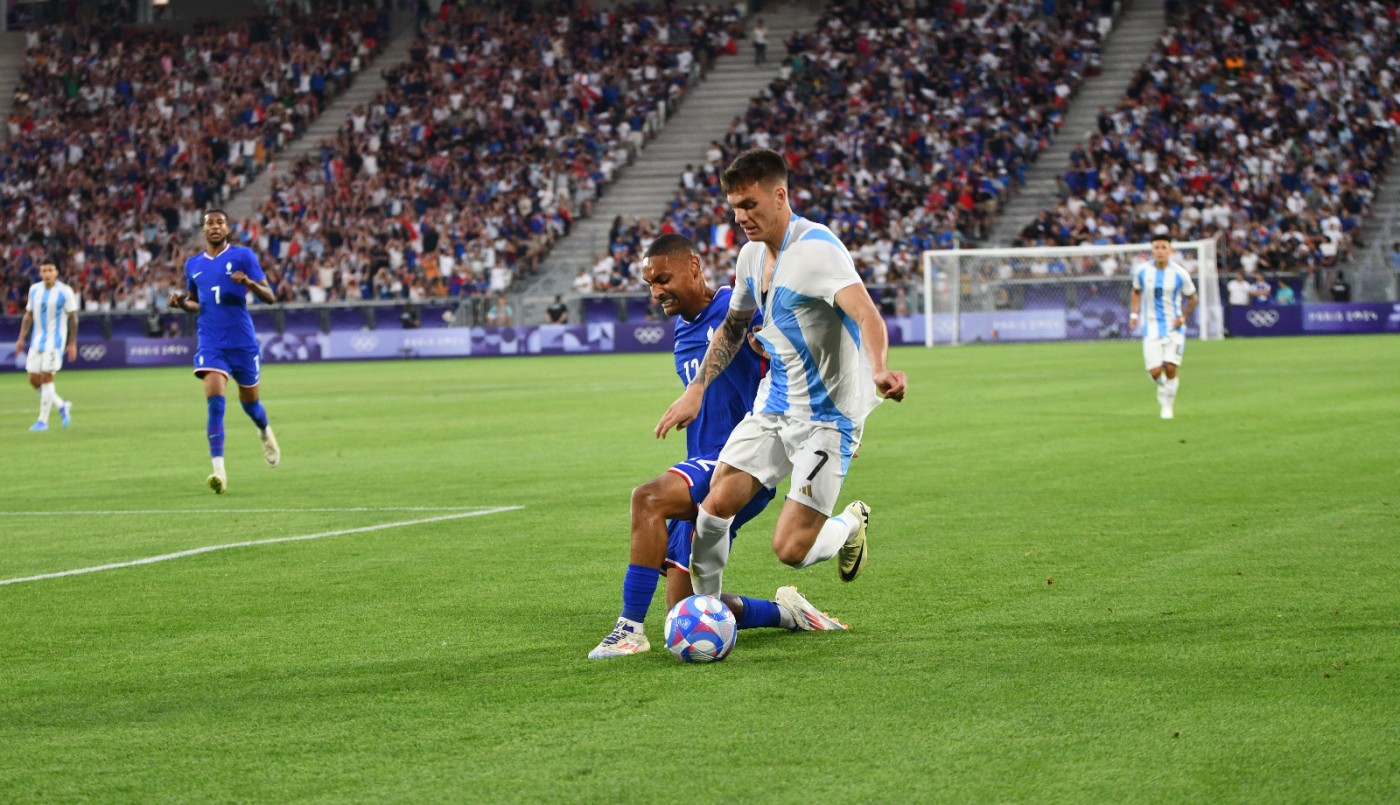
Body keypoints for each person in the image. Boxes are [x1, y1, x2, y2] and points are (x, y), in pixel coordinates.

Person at [655, 148, 908, 598]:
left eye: (750, 205)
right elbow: (733, 326)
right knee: (714, 507)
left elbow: (867, 314)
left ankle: (849, 523)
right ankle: (704, 610)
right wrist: (697, 389)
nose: (742, 217)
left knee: (791, 548)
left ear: (780, 195)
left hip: (829, 417)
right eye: (735, 208)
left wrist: (881, 368)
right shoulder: (751, 257)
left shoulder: (817, 251)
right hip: (775, 404)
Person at [589, 234, 846, 660]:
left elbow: (800, 350)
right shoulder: (681, 331)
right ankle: (788, 614)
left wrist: (826, 425)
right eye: (649, 283)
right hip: (703, 460)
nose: (656, 291)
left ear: (694, 266)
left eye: (663, 278)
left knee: (648, 498)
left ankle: (629, 628)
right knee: (684, 613)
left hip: (743, 462)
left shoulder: (738, 308)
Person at [168, 209, 281, 494]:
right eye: (209, 223)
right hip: (211, 341)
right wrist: (182, 304)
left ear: (227, 228)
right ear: (203, 229)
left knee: (250, 404)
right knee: (215, 402)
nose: (215, 227)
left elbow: (270, 297)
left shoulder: (243, 256)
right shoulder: (193, 264)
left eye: (220, 222)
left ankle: (264, 430)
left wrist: (250, 284)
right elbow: (197, 303)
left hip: (242, 342)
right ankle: (218, 470)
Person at [1129, 233, 1198, 420]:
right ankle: (1161, 387)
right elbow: (1135, 291)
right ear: (1151, 250)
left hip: (1173, 328)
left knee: (1171, 367)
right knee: (1155, 372)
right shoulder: (1142, 271)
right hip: (1151, 327)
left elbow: (1192, 298)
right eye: (1156, 248)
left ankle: (1167, 406)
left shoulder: (1180, 273)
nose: (1159, 251)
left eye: (1163, 247)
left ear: (1171, 251)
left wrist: (1183, 316)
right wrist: (1134, 314)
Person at [15, 262, 77, 431]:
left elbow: (73, 318)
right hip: (37, 341)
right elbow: (28, 315)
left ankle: (43, 421)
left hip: (55, 343)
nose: (47, 273)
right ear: (40, 273)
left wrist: (72, 343)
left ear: (56, 272)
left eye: (50, 270)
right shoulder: (34, 289)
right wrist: (21, 338)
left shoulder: (65, 291)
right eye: (44, 271)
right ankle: (61, 405)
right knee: (33, 380)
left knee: (47, 378)